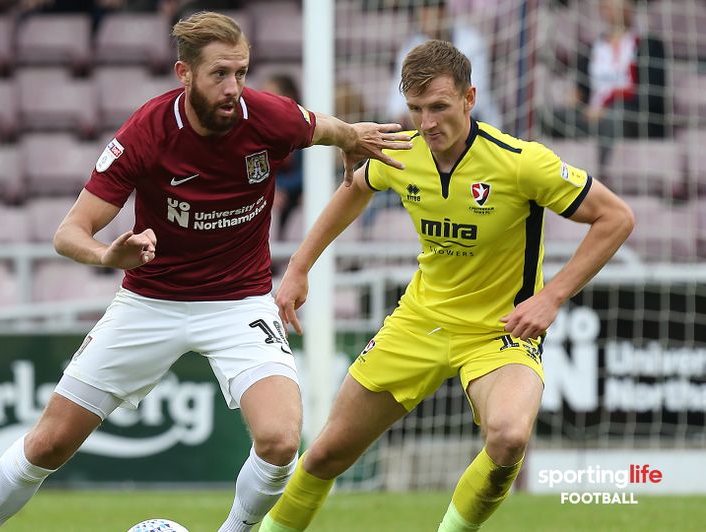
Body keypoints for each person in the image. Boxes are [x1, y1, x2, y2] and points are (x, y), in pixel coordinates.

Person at [0, 11, 412, 532]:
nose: (234, 87)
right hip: (150, 301)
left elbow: (321, 126)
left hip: (238, 302)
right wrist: (109, 256)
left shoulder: (266, 116)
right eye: (220, 74)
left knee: (282, 441)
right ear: (184, 73)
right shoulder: (147, 133)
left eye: (241, 72)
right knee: (49, 443)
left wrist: (351, 136)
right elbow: (69, 232)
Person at [260, 39, 634, 532]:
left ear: (469, 98)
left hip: (498, 332)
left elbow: (616, 218)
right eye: (416, 109)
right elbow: (356, 187)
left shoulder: (521, 162)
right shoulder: (402, 152)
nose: (427, 122)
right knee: (327, 453)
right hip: (418, 324)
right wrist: (300, 266)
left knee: (508, 437)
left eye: (438, 107)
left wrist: (551, 295)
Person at [539, 0, 666, 164]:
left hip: (628, 115)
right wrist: (576, 98)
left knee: (613, 119)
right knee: (547, 116)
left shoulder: (648, 46)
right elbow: (582, 89)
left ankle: (599, 173)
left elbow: (653, 96)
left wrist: (607, 108)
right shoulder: (593, 48)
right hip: (591, 116)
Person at [386, 0, 501, 130]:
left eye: (433, 11)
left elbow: (476, 93)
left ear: (444, 13)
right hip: (427, 123)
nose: (427, 18)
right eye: (423, 12)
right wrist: (405, 114)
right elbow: (397, 100)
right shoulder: (411, 46)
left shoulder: (471, 41)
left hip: (475, 120)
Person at [261, 73, 304, 241]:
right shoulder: (259, 129)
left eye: (270, 95)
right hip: (274, 196)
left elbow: (309, 173)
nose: (264, 102)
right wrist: (271, 188)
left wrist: (278, 186)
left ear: (289, 97)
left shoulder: (304, 129)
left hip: (296, 197)